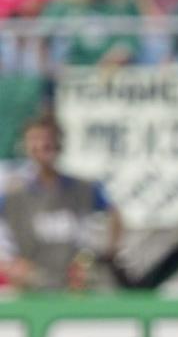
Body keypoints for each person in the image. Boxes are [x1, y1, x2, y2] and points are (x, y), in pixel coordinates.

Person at [0, 115, 123, 291]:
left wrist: (105, 255)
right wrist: (8, 264)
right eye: (35, 140)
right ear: (26, 146)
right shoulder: (13, 194)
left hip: (75, 285)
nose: (42, 145)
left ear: (59, 143)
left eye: (48, 139)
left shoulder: (83, 188)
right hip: (31, 286)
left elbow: (114, 215)